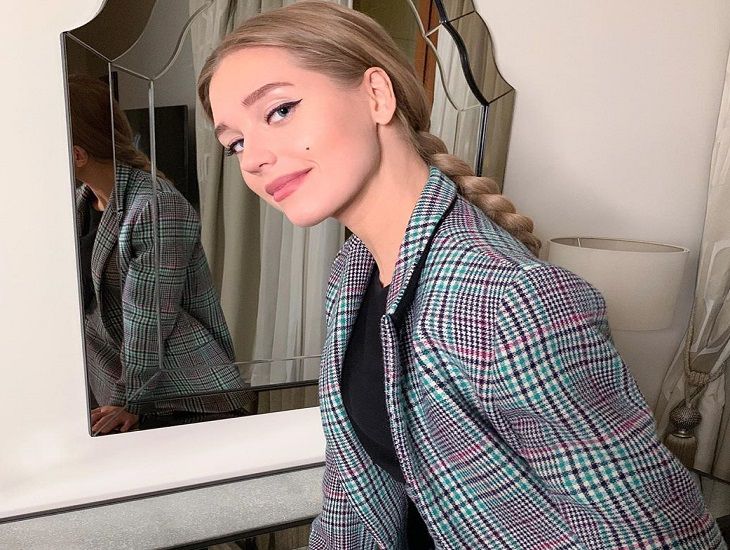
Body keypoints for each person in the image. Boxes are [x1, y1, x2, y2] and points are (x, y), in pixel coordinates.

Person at [197, 2, 725, 548]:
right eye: (235, 142)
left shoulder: (509, 298)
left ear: (376, 95)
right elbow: (354, 489)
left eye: (279, 111)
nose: (253, 159)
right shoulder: (351, 278)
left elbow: (651, 533)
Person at [68, 74, 255, 434]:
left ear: (78, 155)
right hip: (113, 387)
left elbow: (150, 317)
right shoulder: (80, 203)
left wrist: (131, 400)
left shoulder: (155, 206)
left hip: (180, 394)